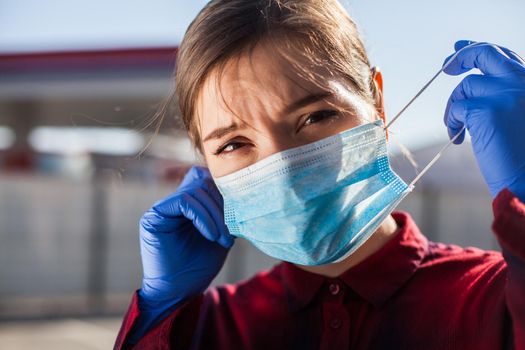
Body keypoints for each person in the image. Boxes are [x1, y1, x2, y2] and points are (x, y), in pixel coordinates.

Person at [114, 0, 525, 349]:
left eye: (316, 116)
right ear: (204, 162)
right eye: (233, 144)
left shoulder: (492, 298)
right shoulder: (212, 329)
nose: (286, 168)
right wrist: (158, 315)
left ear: (377, 104)